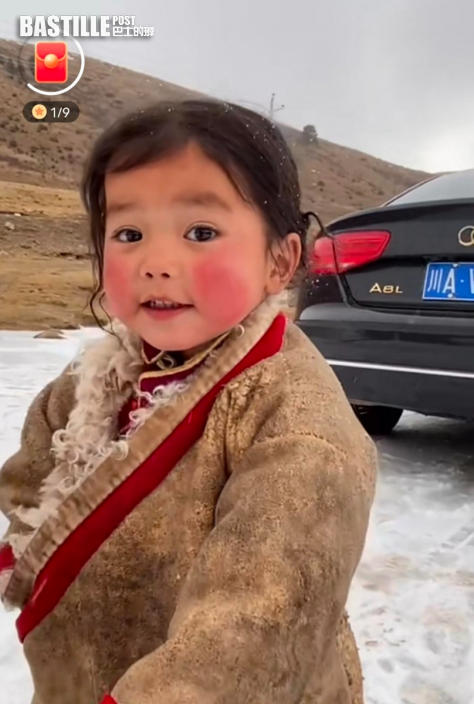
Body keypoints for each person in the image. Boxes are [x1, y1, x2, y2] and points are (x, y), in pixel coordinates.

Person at [0, 100, 377, 704]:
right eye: (128, 234)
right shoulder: (92, 381)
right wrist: (26, 554)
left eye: (200, 232)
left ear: (279, 261)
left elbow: (257, 625)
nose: (156, 263)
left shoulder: (298, 420)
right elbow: (32, 477)